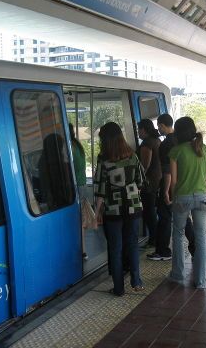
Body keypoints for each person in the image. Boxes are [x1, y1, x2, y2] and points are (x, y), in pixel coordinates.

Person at [93, 122, 144, 296]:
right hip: (133, 207)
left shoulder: (104, 159)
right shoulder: (132, 155)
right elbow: (141, 181)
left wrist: (97, 212)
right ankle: (136, 282)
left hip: (113, 210)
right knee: (132, 245)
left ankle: (118, 288)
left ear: (105, 140)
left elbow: (100, 189)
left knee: (115, 248)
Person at [168, 117, 206, 289]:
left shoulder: (176, 151)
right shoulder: (204, 148)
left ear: (178, 132)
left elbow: (174, 181)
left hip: (182, 198)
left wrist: (172, 198)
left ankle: (178, 275)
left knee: (177, 235)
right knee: (200, 236)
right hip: (201, 197)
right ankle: (200, 280)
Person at [147, 114, 195, 261]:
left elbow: (167, 171)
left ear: (161, 125)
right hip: (185, 185)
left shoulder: (167, 144)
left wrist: (166, 191)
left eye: (159, 126)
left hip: (171, 186)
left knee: (165, 218)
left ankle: (163, 251)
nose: (158, 129)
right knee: (183, 218)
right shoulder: (185, 142)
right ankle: (195, 248)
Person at [137, 119, 162, 247]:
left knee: (149, 211)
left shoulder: (147, 143)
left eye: (138, 129)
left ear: (144, 130)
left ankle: (153, 239)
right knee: (153, 211)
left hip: (149, 183)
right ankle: (155, 238)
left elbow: (144, 165)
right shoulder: (157, 140)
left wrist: (138, 181)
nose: (138, 132)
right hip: (157, 180)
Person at [69, 123, 89, 260]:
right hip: (82, 185)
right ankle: (83, 250)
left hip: (74, 187)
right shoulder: (77, 145)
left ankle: (79, 250)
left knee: (74, 220)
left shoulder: (68, 147)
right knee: (79, 219)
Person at [38, 133, 74, 211]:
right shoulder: (58, 161)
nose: (62, 148)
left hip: (51, 199)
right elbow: (66, 183)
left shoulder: (43, 160)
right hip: (61, 199)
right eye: (61, 145)